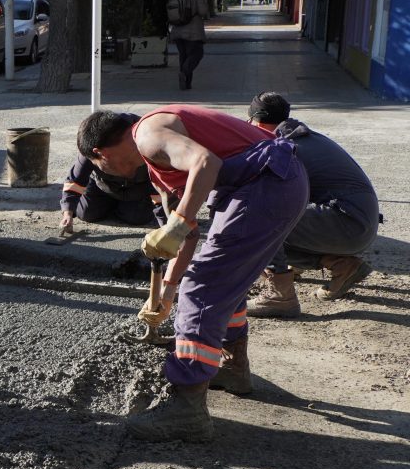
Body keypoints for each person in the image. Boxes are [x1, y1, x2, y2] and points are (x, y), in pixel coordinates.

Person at [77, 106, 308, 442]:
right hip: (271, 183)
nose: (108, 174)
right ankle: (232, 367)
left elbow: (206, 164)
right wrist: (167, 291)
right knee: (221, 279)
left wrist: (178, 224)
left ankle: (186, 408)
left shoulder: (149, 135)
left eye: (100, 167)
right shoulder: (157, 161)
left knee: (202, 288)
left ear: (100, 153)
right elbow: (187, 237)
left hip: (265, 185)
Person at [246, 92, 380, 317]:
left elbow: (267, 200)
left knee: (255, 216)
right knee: (270, 219)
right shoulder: (302, 136)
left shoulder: (283, 147)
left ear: (257, 121)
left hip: (346, 222)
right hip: (355, 223)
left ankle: (279, 296)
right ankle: (340, 265)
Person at [60, 114, 156, 229]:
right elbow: (75, 180)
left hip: (138, 187)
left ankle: (122, 206)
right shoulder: (91, 145)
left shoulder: (145, 137)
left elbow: (161, 181)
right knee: (86, 213)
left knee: (136, 217)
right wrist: (67, 214)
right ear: (100, 153)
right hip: (103, 185)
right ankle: (110, 202)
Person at [170, 0, 210, 91]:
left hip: (177, 30)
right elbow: (203, 12)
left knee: (184, 56)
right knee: (197, 54)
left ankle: (186, 84)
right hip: (193, 31)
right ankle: (184, 73)